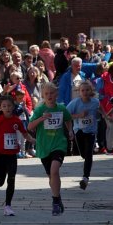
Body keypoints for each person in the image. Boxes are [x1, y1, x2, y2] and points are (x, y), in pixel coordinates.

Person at [27, 81, 73, 215]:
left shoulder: (61, 108)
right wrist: (42, 118)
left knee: (54, 170)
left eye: (52, 93)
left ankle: (55, 202)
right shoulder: (40, 110)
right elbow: (30, 127)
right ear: (43, 95)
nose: (49, 96)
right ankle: (57, 197)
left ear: (56, 94)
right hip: (44, 146)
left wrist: (70, 130)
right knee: (51, 176)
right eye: (46, 93)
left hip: (59, 144)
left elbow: (68, 119)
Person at [0, 93, 26, 215]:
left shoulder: (17, 120)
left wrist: (34, 140)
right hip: (0, 155)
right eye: (4, 106)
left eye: (9, 105)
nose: (7, 108)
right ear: (0, 108)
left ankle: (8, 206)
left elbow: (24, 133)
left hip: (12, 155)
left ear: (13, 107)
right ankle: (1, 176)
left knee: (11, 179)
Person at [67, 79, 100, 190]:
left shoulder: (95, 102)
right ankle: (87, 161)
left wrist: (105, 116)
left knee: (89, 154)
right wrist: (79, 115)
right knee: (83, 154)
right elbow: (67, 115)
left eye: (87, 90)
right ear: (79, 92)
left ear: (91, 91)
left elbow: (100, 109)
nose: (85, 92)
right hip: (79, 131)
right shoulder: (75, 103)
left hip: (91, 131)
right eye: (83, 90)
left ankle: (85, 178)